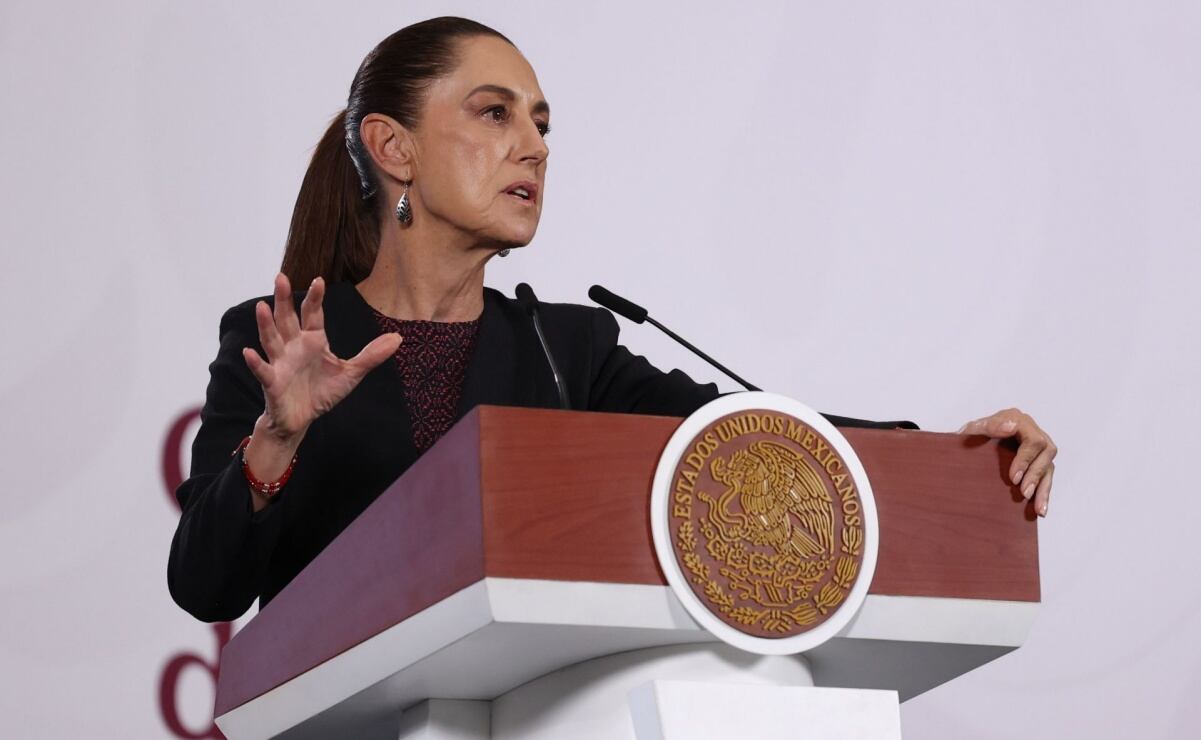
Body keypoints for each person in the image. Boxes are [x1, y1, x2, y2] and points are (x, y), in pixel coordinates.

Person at [167, 17, 1058, 623]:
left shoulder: (566, 351)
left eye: (543, 124)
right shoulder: (280, 345)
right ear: (393, 148)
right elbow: (205, 589)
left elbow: (748, 437)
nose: (536, 145)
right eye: (494, 113)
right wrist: (277, 442)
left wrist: (949, 453)